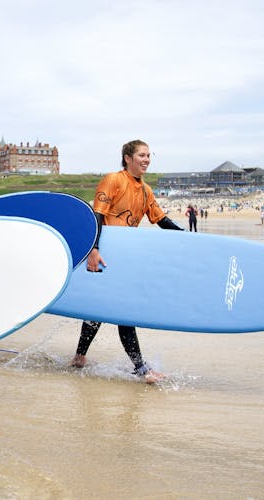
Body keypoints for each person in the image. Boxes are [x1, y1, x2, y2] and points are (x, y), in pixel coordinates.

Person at [69, 139, 183, 383]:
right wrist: (94, 249)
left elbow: (161, 220)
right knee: (123, 310)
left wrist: (189, 239)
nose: (147, 159)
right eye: (142, 155)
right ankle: (141, 369)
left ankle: (79, 357)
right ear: (128, 158)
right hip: (105, 254)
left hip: (125, 259)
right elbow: (97, 215)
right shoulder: (113, 180)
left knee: (98, 310)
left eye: (149, 155)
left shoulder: (145, 190)